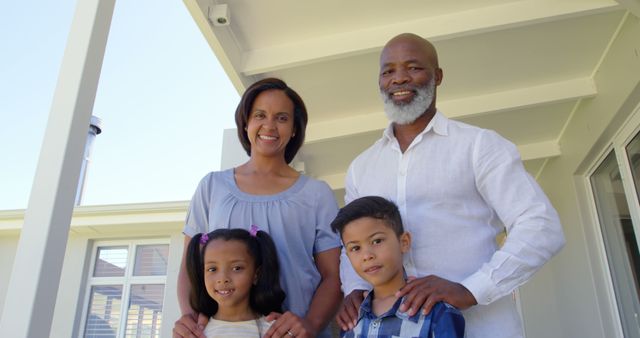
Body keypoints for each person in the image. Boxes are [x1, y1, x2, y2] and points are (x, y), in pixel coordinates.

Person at [336, 33, 566, 338]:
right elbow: (349, 243)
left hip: (482, 328)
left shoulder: (478, 146)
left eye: (413, 67)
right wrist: (354, 289)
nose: (399, 79)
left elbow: (541, 225)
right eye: (388, 71)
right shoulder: (362, 168)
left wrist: (470, 290)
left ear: (438, 76)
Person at [174, 78, 342, 338]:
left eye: (282, 118)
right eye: (260, 115)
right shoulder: (211, 187)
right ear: (245, 122)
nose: (269, 126)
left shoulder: (316, 194)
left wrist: (309, 324)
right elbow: (189, 265)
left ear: (295, 129)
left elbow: (333, 276)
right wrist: (189, 319)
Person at [331, 196, 465, 338]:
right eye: (355, 248)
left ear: (404, 242)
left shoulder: (436, 312)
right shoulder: (351, 318)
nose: (367, 255)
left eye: (377, 241)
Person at [183, 227, 285, 337]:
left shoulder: (276, 332)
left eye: (236, 268)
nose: (222, 278)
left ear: (256, 274)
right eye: (212, 269)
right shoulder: (195, 333)